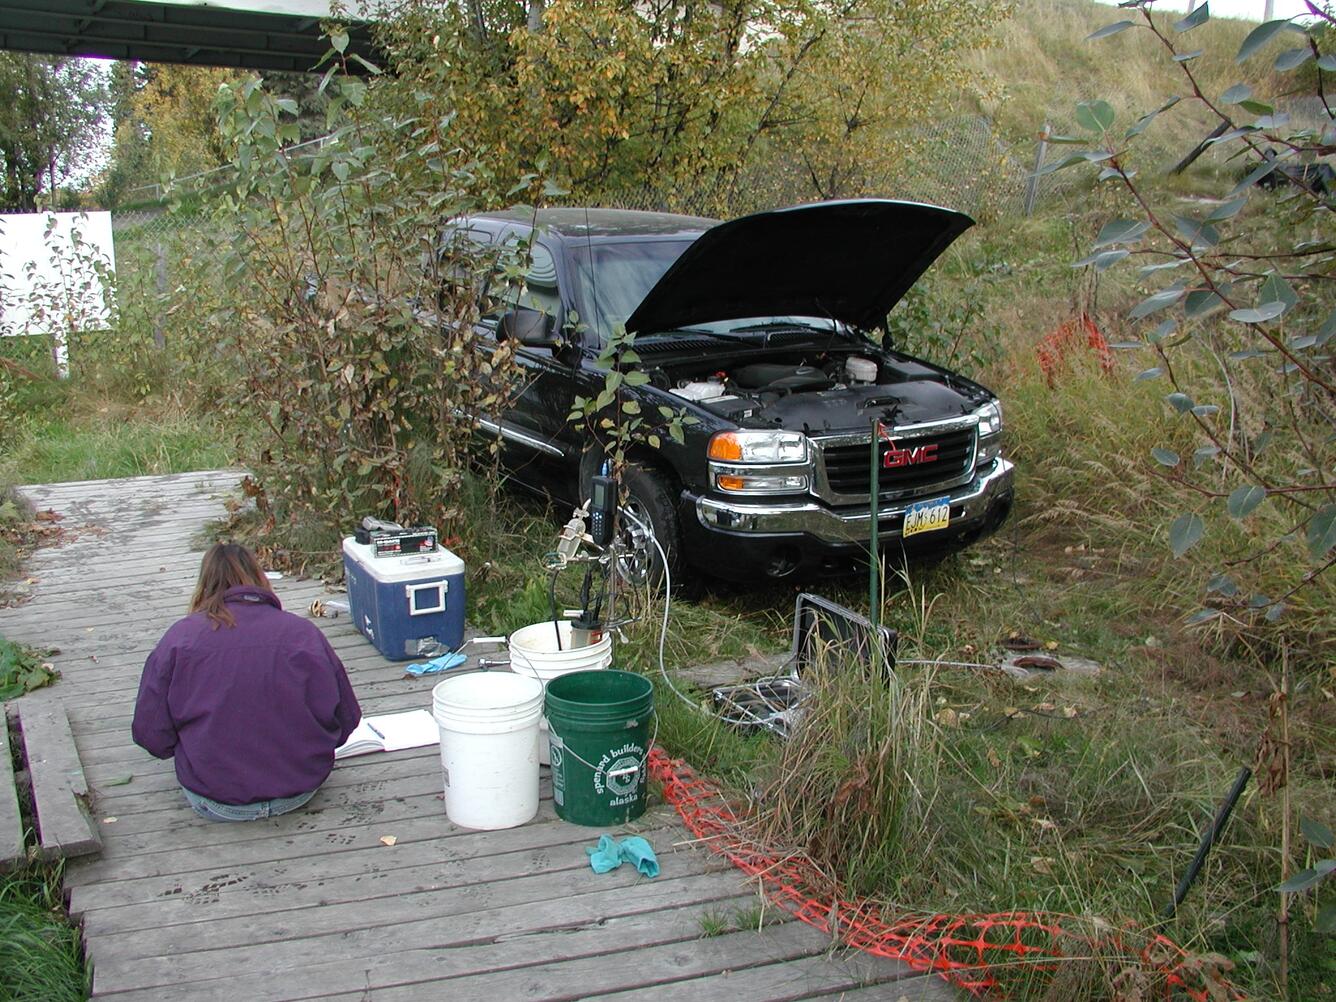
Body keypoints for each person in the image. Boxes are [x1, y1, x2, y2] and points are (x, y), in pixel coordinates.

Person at [132, 542, 361, 822]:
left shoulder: (181, 638)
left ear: (204, 583)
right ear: (259, 577)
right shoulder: (302, 633)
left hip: (214, 797)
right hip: (300, 789)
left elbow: (151, 734)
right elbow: (346, 718)